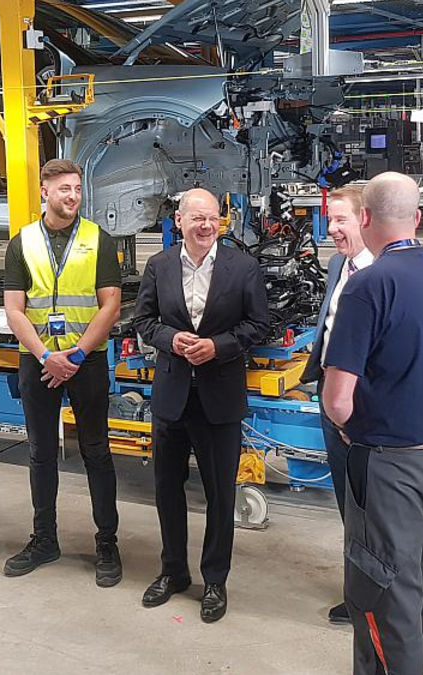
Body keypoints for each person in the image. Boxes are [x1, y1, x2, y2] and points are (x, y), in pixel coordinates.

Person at [323, 173, 423, 675]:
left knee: (386, 590)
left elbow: (338, 398)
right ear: (417, 217)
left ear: (365, 217)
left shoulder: (367, 286)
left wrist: (348, 429)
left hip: (392, 465)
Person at [133, 188, 270, 624]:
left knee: (218, 493)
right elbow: (143, 321)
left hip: (219, 397)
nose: (205, 226)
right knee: (167, 491)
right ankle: (173, 571)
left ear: (220, 222)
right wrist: (170, 340)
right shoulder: (158, 266)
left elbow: (259, 325)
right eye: (196, 218)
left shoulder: (243, 267)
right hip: (172, 396)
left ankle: (214, 579)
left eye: (212, 218)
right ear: (179, 221)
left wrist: (218, 346)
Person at [2, 159, 124, 587]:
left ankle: (107, 542)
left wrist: (74, 354)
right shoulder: (22, 243)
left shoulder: (98, 240)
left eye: (76, 189)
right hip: (38, 361)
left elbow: (111, 303)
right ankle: (44, 538)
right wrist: (44, 355)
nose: (72, 196)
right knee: (40, 453)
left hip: (86, 359)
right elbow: (14, 309)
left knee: (96, 451)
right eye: (64, 189)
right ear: (44, 192)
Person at [300, 185, 374, 626]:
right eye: (330, 220)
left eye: (341, 220)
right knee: (348, 504)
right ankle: (359, 592)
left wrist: (355, 409)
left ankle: (379, 596)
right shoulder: (336, 265)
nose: (332, 230)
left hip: (363, 408)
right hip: (330, 397)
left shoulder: (382, 273)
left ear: (366, 220)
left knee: (373, 506)